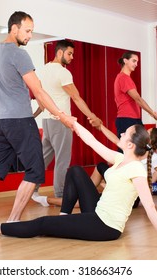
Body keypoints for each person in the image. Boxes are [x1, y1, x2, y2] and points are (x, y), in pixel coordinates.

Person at [0, 122, 157, 252]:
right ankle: (64, 216)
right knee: (76, 171)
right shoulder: (121, 159)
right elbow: (92, 142)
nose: (119, 134)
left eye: (124, 133)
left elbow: (149, 207)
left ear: (129, 144)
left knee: (42, 223)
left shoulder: (136, 170)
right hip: (98, 211)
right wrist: (72, 122)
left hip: (106, 227)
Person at [0, 11, 76, 222]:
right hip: (21, 121)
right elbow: (38, 91)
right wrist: (61, 115)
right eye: (27, 31)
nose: (29, 35)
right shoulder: (18, 54)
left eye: (32, 31)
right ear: (14, 28)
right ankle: (13, 220)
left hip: (4, 123)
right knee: (35, 171)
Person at [33, 125, 157, 210]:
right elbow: (114, 139)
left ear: (150, 140)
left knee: (88, 202)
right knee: (99, 167)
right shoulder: (134, 151)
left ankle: (48, 200)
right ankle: (88, 191)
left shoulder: (155, 159)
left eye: (148, 132)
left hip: (131, 198)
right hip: (122, 189)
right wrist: (100, 126)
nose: (145, 131)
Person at [33, 39, 102, 198]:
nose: (72, 57)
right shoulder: (63, 72)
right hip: (61, 122)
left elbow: (41, 99)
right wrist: (92, 116)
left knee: (43, 159)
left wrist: (34, 116)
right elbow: (76, 98)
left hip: (47, 122)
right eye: (69, 53)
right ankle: (60, 194)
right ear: (59, 52)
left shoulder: (42, 70)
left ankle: (31, 188)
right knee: (62, 160)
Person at [114, 51, 157, 139]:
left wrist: (152, 114)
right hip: (127, 119)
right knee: (128, 150)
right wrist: (153, 114)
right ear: (125, 60)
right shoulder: (123, 78)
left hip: (132, 119)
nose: (136, 64)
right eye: (134, 61)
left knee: (141, 147)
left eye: (137, 62)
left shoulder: (125, 78)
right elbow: (138, 99)